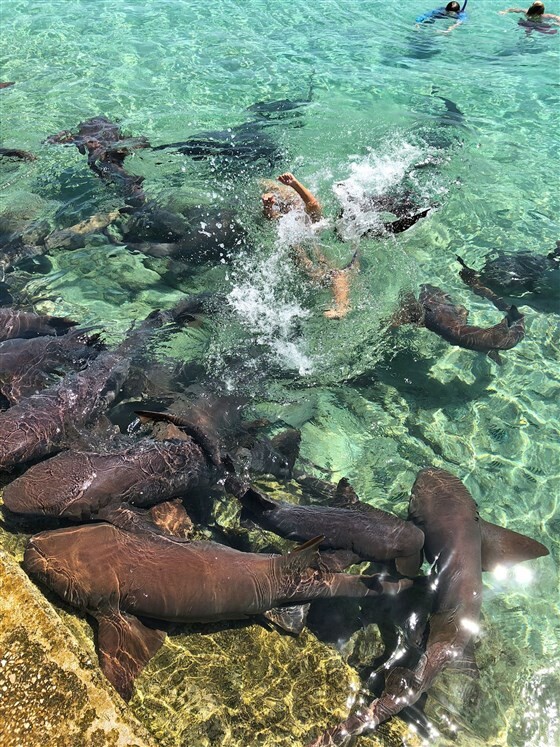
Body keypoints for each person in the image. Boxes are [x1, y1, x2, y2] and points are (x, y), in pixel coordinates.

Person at [261, 173, 358, 320]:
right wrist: (267, 207)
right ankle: (340, 305)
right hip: (307, 260)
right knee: (313, 267)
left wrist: (294, 184)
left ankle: (342, 307)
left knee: (335, 274)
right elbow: (272, 219)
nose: (290, 207)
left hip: (326, 259)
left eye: (293, 202)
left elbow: (313, 204)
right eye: (284, 204)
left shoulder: (312, 220)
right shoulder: (287, 221)